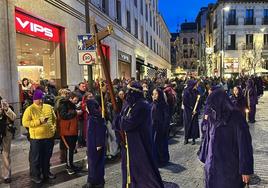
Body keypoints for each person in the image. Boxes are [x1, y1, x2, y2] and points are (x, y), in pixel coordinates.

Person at [199, 88, 254, 188]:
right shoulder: (212, 116)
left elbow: (244, 145)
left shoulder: (237, 118)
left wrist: (245, 169)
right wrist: (204, 157)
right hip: (212, 166)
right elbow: (207, 138)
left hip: (230, 168)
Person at [114, 82, 164, 188]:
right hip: (129, 144)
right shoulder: (131, 104)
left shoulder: (142, 106)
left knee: (141, 170)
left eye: (129, 92)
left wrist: (119, 119)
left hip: (139, 143)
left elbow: (128, 123)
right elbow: (122, 119)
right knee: (129, 168)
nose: (127, 95)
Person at [22, 89, 56, 184]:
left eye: (41, 99)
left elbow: (54, 119)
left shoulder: (48, 107)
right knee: (35, 158)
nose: (40, 101)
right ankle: (35, 175)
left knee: (47, 156)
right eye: (38, 99)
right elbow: (25, 122)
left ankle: (46, 172)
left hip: (49, 137)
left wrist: (53, 129)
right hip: (36, 138)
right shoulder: (30, 109)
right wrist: (39, 121)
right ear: (34, 99)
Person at [58, 92, 82, 175]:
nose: (76, 101)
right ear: (71, 98)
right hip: (67, 130)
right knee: (69, 149)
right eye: (75, 100)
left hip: (72, 130)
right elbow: (63, 116)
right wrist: (75, 112)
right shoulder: (64, 105)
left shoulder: (71, 105)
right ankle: (69, 166)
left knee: (71, 149)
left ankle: (71, 164)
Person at [85, 97, 106, 188]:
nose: (85, 108)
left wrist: (99, 143)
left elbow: (100, 131)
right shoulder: (92, 117)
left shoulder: (96, 118)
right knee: (92, 162)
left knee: (97, 162)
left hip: (96, 144)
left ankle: (98, 181)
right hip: (91, 143)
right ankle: (92, 180)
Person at [151, 88, 170, 167]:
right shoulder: (153, 104)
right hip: (154, 128)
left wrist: (164, 128)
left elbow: (166, 117)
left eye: (156, 94)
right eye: (153, 94)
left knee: (161, 144)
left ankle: (162, 160)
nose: (154, 96)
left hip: (161, 128)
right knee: (155, 145)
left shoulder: (163, 104)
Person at [0, 96, 16, 184]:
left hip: (6, 133)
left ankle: (6, 175)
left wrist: (6, 109)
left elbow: (14, 117)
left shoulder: (7, 107)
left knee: (5, 154)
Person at [182, 80, 201, 145]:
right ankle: (186, 138)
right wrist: (190, 108)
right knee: (187, 125)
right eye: (195, 84)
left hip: (194, 111)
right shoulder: (186, 91)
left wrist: (196, 110)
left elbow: (199, 102)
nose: (197, 85)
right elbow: (184, 101)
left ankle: (193, 139)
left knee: (194, 125)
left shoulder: (197, 92)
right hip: (187, 111)